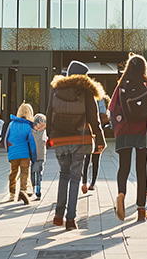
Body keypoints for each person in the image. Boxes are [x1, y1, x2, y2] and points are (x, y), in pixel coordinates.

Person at [46, 60, 106, 231]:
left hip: (59, 140)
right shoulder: (86, 92)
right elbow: (94, 120)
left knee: (63, 175)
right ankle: (71, 219)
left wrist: (50, 136)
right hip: (79, 141)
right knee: (75, 177)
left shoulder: (56, 89)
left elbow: (49, 113)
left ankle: (58, 215)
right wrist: (100, 140)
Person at [110, 54, 147, 222]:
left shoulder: (121, 85)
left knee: (123, 167)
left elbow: (112, 108)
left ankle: (121, 195)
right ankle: (141, 210)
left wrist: (119, 125)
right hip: (143, 133)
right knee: (141, 170)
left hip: (125, 131)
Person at [5, 102, 37, 205]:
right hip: (24, 153)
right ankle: (23, 191)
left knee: (13, 172)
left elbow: (6, 138)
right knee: (24, 172)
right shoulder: (28, 127)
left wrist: (8, 150)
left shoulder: (11, 124)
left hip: (13, 153)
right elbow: (32, 143)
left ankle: (12, 193)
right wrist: (34, 156)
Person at [81, 94, 109, 193]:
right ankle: (92, 183)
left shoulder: (83, 99)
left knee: (86, 158)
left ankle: (84, 182)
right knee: (96, 160)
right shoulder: (101, 99)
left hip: (88, 133)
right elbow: (104, 117)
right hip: (97, 133)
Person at [31, 113, 47, 200]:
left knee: (33, 172)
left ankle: (34, 188)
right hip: (40, 156)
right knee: (39, 173)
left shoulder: (31, 132)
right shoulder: (44, 132)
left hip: (34, 155)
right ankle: (37, 189)